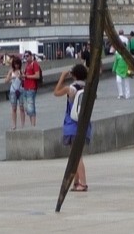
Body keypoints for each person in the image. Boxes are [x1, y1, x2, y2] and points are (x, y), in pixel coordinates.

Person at [54, 62, 91, 191]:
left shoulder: (71, 89)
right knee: (76, 154)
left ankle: (83, 183)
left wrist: (62, 77)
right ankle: (76, 181)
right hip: (84, 124)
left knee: (76, 155)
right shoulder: (88, 88)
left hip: (72, 124)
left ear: (74, 75)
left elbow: (56, 92)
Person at [20, 51, 42, 126]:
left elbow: (37, 75)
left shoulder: (34, 64)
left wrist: (27, 76)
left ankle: (33, 125)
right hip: (25, 88)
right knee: (27, 108)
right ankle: (32, 124)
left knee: (31, 106)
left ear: (31, 56)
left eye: (27, 56)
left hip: (31, 88)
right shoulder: (26, 65)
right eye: (25, 56)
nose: (26, 57)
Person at [4, 56, 25, 130]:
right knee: (14, 108)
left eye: (18, 64)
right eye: (15, 64)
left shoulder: (21, 70)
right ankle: (14, 124)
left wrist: (21, 77)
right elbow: (5, 81)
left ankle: (22, 124)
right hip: (13, 90)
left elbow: (24, 79)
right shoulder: (11, 71)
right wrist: (10, 78)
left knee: (22, 107)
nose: (17, 65)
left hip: (21, 90)